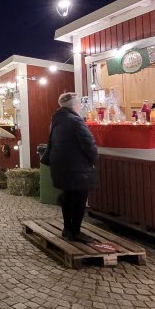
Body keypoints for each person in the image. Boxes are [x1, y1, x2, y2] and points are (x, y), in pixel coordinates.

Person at [43, 92, 99, 242]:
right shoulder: (75, 120)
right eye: (79, 103)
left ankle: (67, 229)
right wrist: (93, 160)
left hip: (61, 166)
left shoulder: (57, 120)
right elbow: (89, 145)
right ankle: (75, 231)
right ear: (75, 105)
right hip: (77, 168)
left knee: (68, 197)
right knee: (79, 199)